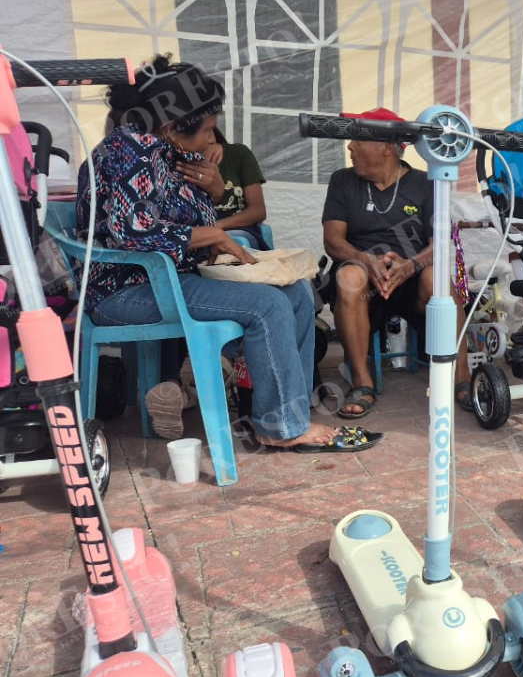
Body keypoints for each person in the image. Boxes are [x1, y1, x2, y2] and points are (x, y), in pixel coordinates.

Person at [80, 54, 381, 453]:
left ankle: (289, 411)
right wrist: (209, 236)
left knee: (298, 295)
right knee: (268, 306)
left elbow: (202, 214)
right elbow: (131, 233)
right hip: (125, 291)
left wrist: (216, 190)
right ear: (172, 126)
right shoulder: (126, 154)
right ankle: (279, 427)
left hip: (174, 279)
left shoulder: (170, 150)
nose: (211, 139)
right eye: (206, 130)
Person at [321, 107, 470, 418]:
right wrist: (365, 259)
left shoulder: (427, 183)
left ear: (386, 148)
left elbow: (442, 243)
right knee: (349, 276)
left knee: (436, 278)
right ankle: (363, 382)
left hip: (411, 284)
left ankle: (462, 379)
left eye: (357, 141)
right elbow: (333, 240)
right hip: (364, 285)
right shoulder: (342, 181)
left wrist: (411, 265)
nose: (350, 147)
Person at [206, 128, 271, 250]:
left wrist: (217, 226)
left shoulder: (238, 154)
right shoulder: (176, 164)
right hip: (199, 233)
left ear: (210, 135)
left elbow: (258, 211)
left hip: (239, 231)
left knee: (228, 241)